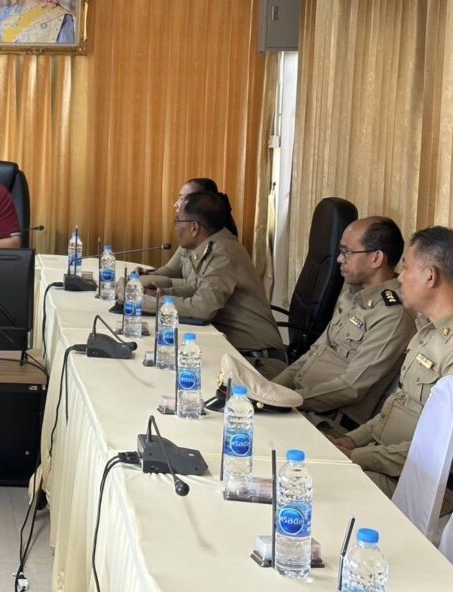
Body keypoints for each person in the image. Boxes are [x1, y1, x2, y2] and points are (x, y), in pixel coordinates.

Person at [333, 226, 453, 502]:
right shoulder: (426, 333)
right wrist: (351, 440)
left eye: (407, 268)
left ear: (430, 276)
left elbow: (436, 450)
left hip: (421, 484)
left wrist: (357, 456)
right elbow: (393, 410)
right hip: (383, 461)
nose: (400, 278)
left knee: (321, 487)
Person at [274, 217, 416, 432]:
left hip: (327, 421)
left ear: (376, 258)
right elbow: (314, 352)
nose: (340, 259)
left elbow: (351, 387)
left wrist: (285, 399)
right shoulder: (352, 293)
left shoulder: (392, 315)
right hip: (301, 402)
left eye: (347, 252)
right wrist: (271, 389)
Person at [143, 192, 286, 376]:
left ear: (194, 227)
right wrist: (163, 295)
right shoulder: (213, 246)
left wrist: (149, 303)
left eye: (178, 221)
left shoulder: (222, 253)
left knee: (176, 371)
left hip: (257, 362)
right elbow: (197, 289)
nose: (176, 227)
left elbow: (202, 309)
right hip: (238, 353)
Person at [143, 177, 238, 290]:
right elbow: (172, 270)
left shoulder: (220, 249)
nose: (175, 204)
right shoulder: (192, 235)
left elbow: (198, 291)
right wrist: (147, 275)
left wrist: (158, 291)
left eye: (183, 199)